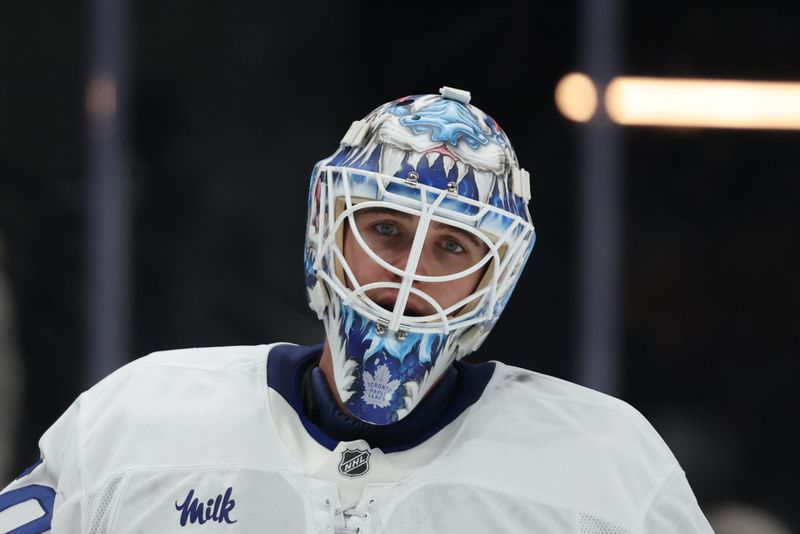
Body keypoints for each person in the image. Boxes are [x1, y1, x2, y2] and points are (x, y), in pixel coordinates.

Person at [0, 87, 713, 533]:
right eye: (386, 230)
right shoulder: (138, 419)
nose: (407, 275)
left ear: (493, 279)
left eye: (452, 247)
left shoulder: (607, 470)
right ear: (327, 230)